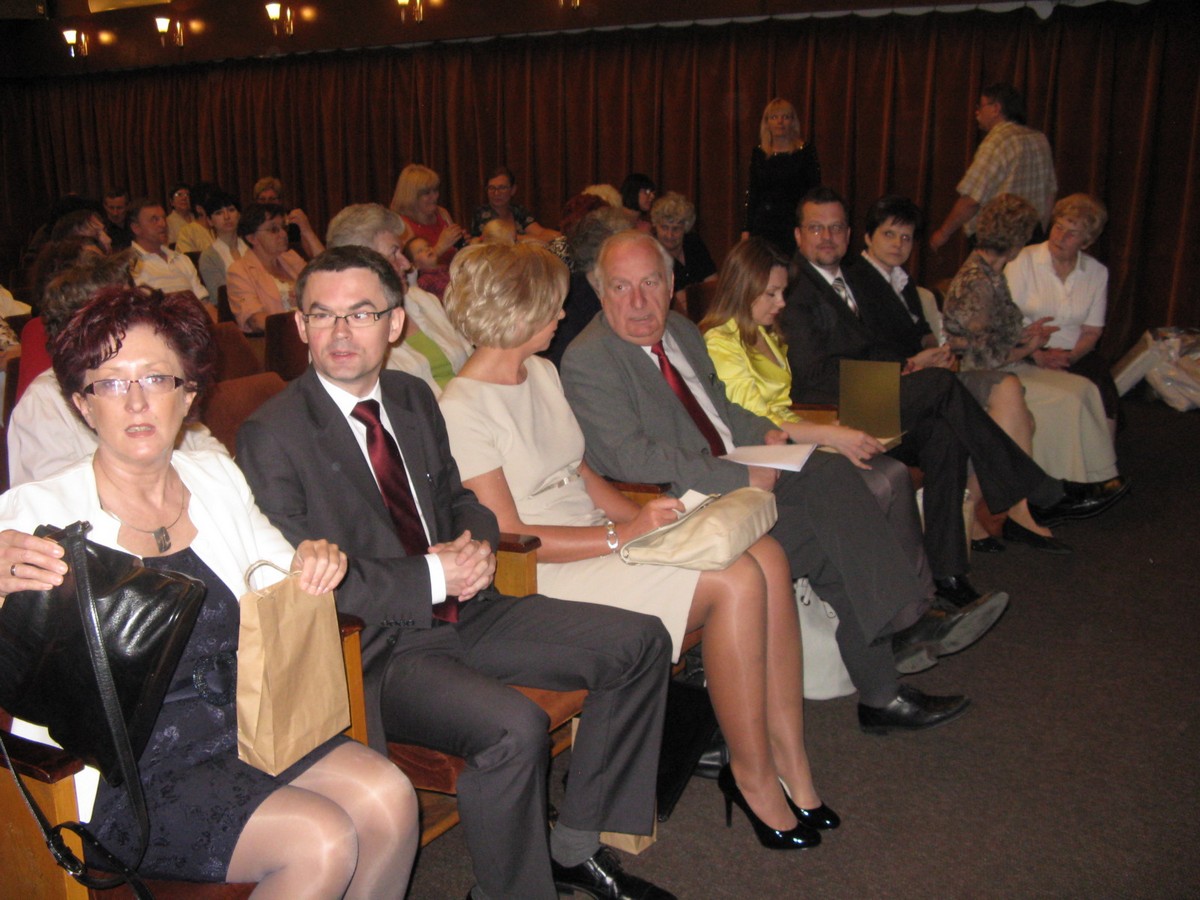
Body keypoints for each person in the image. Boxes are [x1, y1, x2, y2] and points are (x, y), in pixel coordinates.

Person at [236, 245, 675, 900]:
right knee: (514, 728)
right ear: (300, 326)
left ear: (395, 323)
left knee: (640, 643)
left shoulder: (411, 396)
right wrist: (434, 576)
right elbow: (302, 580)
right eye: (322, 315)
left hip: (469, 608)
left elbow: (459, 498)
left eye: (361, 313)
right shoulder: (272, 434)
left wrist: (475, 544)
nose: (341, 332)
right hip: (378, 649)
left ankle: (573, 847)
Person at [0, 286, 418, 895]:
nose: (137, 401)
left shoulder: (215, 477)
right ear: (83, 405)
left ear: (188, 393)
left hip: (247, 726)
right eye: (111, 383)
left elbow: (282, 572)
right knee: (321, 839)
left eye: (156, 378)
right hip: (126, 772)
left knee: (390, 796)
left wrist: (316, 562)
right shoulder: (33, 513)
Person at [441, 241, 838, 851]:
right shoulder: (461, 408)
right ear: (519, 311)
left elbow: (580, 473)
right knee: (735, 581)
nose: (564, 314)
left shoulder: (539, 371)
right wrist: (621, 535)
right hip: (545, 571)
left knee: (768, 555)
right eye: (554, 304)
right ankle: (752, 776)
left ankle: (791, 759)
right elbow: (510, 536)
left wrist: (648, 520)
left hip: (599, 537)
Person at [562, 231, 1011, 734]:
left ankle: (890, 668)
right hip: (684, 505)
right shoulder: (590, 359)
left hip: (740, 472)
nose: (638, 302)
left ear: (669, 284)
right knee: (833, 522)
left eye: (649, 283)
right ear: (600, 293)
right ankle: (896, 652)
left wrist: (765, 434)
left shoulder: (682, 332)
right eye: (621, 287)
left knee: (835, 479)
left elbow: (723, 408)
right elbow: (629, 457)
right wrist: (740, 472)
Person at [779, 187, 1118, 578]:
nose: (827, 237)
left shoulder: (849, 279)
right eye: (816, 228)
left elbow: (872, 347)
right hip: (831, 408)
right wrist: (902, 369)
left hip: (868, 390)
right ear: (798, 235)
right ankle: (1040, 490)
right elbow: (813, 375)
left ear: (850, 233)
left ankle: (948, 574)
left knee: (944, 433)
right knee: (941, 384)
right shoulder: (795, 289)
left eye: (836, 227)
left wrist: (906, 364)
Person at [699, 237, 936, 604]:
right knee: (879, 484)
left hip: (793, 440)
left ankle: (920, 598)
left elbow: (785, 408)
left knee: (895, 473)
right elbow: (756, 420)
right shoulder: (720, 341)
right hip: (764, 452)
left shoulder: (765, 333)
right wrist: (828, 434)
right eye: (772, 293)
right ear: (743, 288)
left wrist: (832, 431)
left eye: (783, 292)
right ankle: (898, 603)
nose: (782, 302)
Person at [942, 194, 1127, 535]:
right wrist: (1029, 348)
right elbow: (981, 355)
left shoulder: (991, 272)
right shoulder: (980, 281)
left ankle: (1088, 480)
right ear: (1017, 241)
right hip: (981, 373)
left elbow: (997, 333)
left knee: (1086, 388)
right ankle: (1055, 494)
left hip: (1000, 362)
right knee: (1069, 396)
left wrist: (1028, 336)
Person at [8, 252, 227, 488]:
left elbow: (211, 455)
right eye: (117, 316)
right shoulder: (42, 401)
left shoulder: (159, 376)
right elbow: (52, 496)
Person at [325, 203, 472, 394]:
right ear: (360, 266)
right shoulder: (341, 339)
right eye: (394, 253)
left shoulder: (421, 299)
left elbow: (470, 356)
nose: (406, 264)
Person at [1005, 193, 1121, 424]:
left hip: (1075, 354)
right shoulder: (1023, 260)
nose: (1060, 237)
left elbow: (1092, 331)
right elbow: (1007, 320)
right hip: (1025, 351)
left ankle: (1104, 446)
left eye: (1072, 233)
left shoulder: (1097, 272)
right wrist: (1037, 354)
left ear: (1086, 242)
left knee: (1103, 394)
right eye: (1058, 227)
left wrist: (1069, 358)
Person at [929, 83, 1057, 251]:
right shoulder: (1039, 139)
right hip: (1031, 235)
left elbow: (972, 199)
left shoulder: (998, 141)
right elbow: (1050, 192)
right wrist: (1040, 233)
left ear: (996, 108)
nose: (977, 113)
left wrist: (943, 233)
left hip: (997, 240)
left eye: (980, 107)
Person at [743, 98, 821, 255]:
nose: (780, 122)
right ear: (767, 123)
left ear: (793, 122)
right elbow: (753, 194)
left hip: (794, 224)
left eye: (785, 117)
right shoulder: (759, 153)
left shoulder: (805, 152)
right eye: (774, 117)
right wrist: (746, 229)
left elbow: (813, 192)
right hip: (764, 225)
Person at [226, 202, 306, 333]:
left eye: (284, 227)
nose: (283, 234)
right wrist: (300, 326)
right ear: (252, 238)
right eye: (274, 230)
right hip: (276, 339)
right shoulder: (239, 271)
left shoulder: (292, 258)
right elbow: (256, 321)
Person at [127, 199, 209, 303]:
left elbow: (204, 302)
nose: (163, 224)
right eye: (154, 220)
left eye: (163, 218)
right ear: (136, 228)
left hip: (193, 311)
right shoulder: (128, 264)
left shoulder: (181, 259)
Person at [389, 164, 465, 265]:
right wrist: (439, 248)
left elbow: (456, 254)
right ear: (411, 196)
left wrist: (463, 243)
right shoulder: (403, 226)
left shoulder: (442, 213)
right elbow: (409, 268)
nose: (435, 197)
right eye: (427, 193)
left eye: (435, 190)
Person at [651, 191, 717, 308]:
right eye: (664, 227)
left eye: (676, 229)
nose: (670, 235)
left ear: (685, 227)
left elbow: (712, 283)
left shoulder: (693, 243)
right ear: (656, 226)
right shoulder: (652, 253)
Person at [469, 165, 560, 243]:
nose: (496, 193)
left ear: (513, 190)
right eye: (491, 188)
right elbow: (498, 240)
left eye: (502, 188)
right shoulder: (481, 214)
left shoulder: (518, 211)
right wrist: (532, 239)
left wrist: (554, 236)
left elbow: (544, 233)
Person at [196, 190, 249, 300]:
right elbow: (220, 297)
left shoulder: (253, 246)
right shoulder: (208, 257)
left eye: (231, 210)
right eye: (219, 213)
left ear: (239, 215)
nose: (227, 216)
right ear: (210, 221)